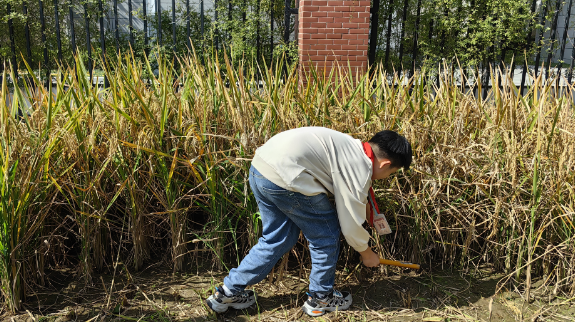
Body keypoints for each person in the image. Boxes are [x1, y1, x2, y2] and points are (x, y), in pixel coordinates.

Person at [205, 126, 412, 316]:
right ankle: (321, 298)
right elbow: (350, 227)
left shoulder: (351, 146)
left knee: (277, 239)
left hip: (261, 168)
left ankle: (228, 291)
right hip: (287, 177)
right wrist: (366, 253)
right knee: (326, 234)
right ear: (385, 164)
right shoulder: (358, 165)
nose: (386, 176)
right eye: (391, 173)